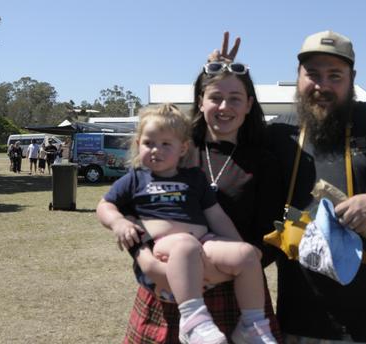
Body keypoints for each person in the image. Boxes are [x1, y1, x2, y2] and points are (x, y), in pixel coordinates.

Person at [215, 31, 366, 343]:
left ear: (352, 77)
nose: (322, 85)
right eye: (312, 74)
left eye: (335, 75)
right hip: (299, 325)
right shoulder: (277, 134)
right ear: (298, 76)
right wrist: (221, 79)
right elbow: (213, 132)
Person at [121, 56, 282, 344]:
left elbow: (267, 238)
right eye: (216, 97)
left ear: (249, 104)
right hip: (167, 290)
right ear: (201, 101)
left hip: (237, 296)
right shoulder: (173, 149)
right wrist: (146, 263)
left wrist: (215, 274)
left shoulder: (265, 162)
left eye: (235, 98)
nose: (224, 107)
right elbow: (134, 211)